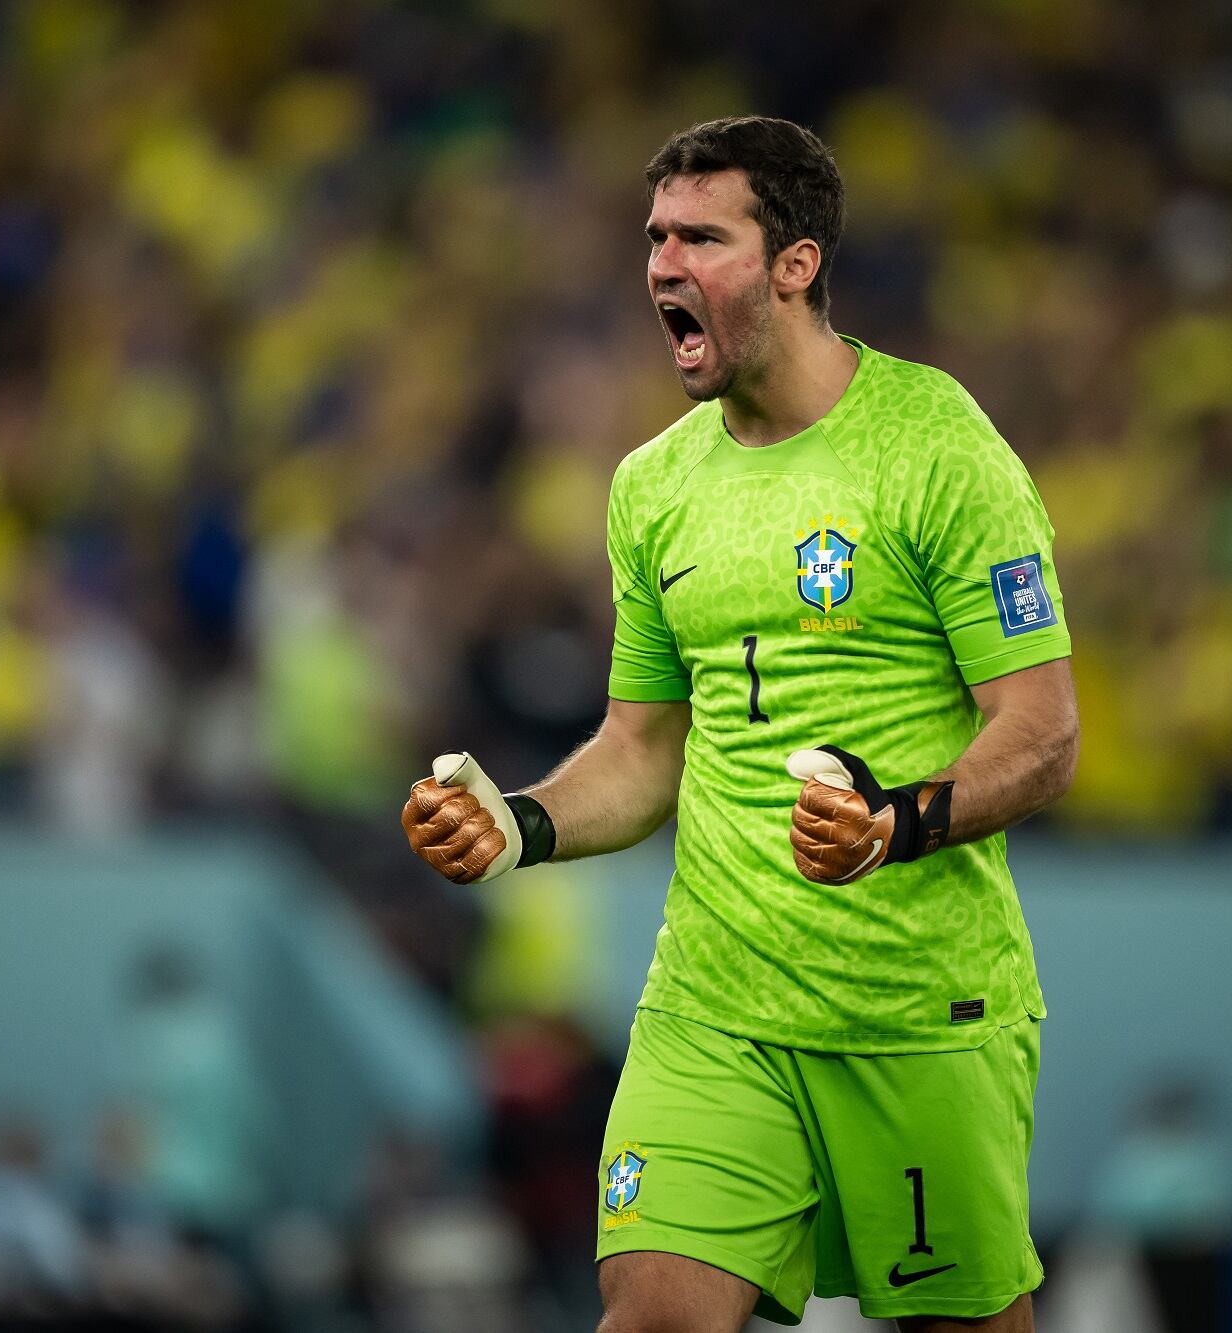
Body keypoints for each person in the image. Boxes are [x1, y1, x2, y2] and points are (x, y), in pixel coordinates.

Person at [401, 116, 1077, 1331]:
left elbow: (1041, 732)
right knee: (651, 1315)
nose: (661, 263)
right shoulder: (650, 488)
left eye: (700, 236)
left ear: (793, 263)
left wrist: (898, 822)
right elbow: (641, 748)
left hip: (914, 1012)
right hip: (713, 1012)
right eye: (653, 236)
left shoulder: (937, 450)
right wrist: (517, 823)